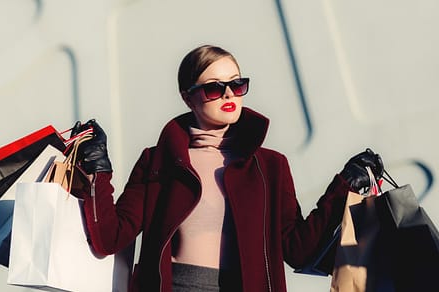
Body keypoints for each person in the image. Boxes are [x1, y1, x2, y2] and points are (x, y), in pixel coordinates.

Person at [70, 45, 384, 292]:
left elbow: (297, 250)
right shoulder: (158, 161)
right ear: (188, 97)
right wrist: (98, 169)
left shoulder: (270, 166)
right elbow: (109, 238)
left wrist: (343, 186)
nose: (229, 94)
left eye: (237, 83)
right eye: (213, 88)